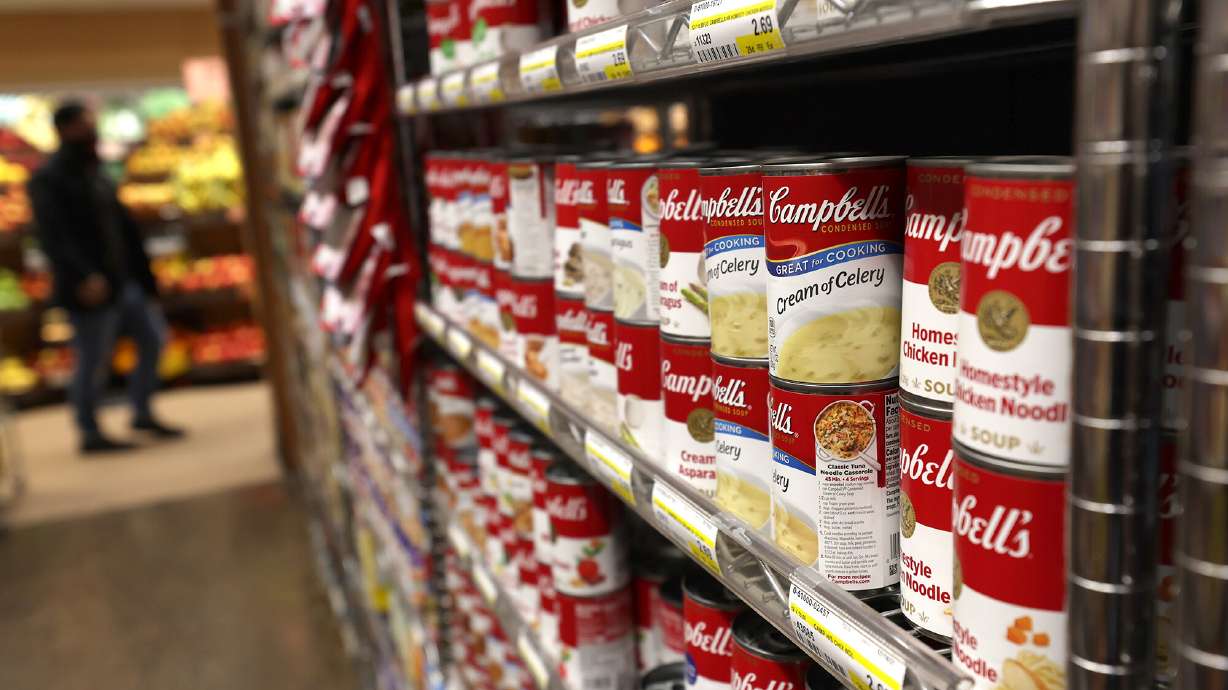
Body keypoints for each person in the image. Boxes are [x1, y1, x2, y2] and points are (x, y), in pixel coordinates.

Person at [28, 101, 185, 453]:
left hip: (123, 280)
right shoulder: (49, 178)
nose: (92, 128)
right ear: (67, 128)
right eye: (85, 123)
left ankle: (142, 410)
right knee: (93, 358)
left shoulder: (95, 171)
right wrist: (85, 276)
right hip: (90, 286)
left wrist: (145, 277)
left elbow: (123, 227)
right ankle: (89, 430)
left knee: (153, 339)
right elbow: (53, 237)